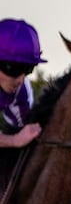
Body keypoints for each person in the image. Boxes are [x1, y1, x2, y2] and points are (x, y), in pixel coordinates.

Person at [0, 18, 46, 192]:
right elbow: (16, 139)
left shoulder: (21, 92)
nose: (20, 79)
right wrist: (12, 140)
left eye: (28, 69)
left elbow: (24, 132)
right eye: (14, 68)